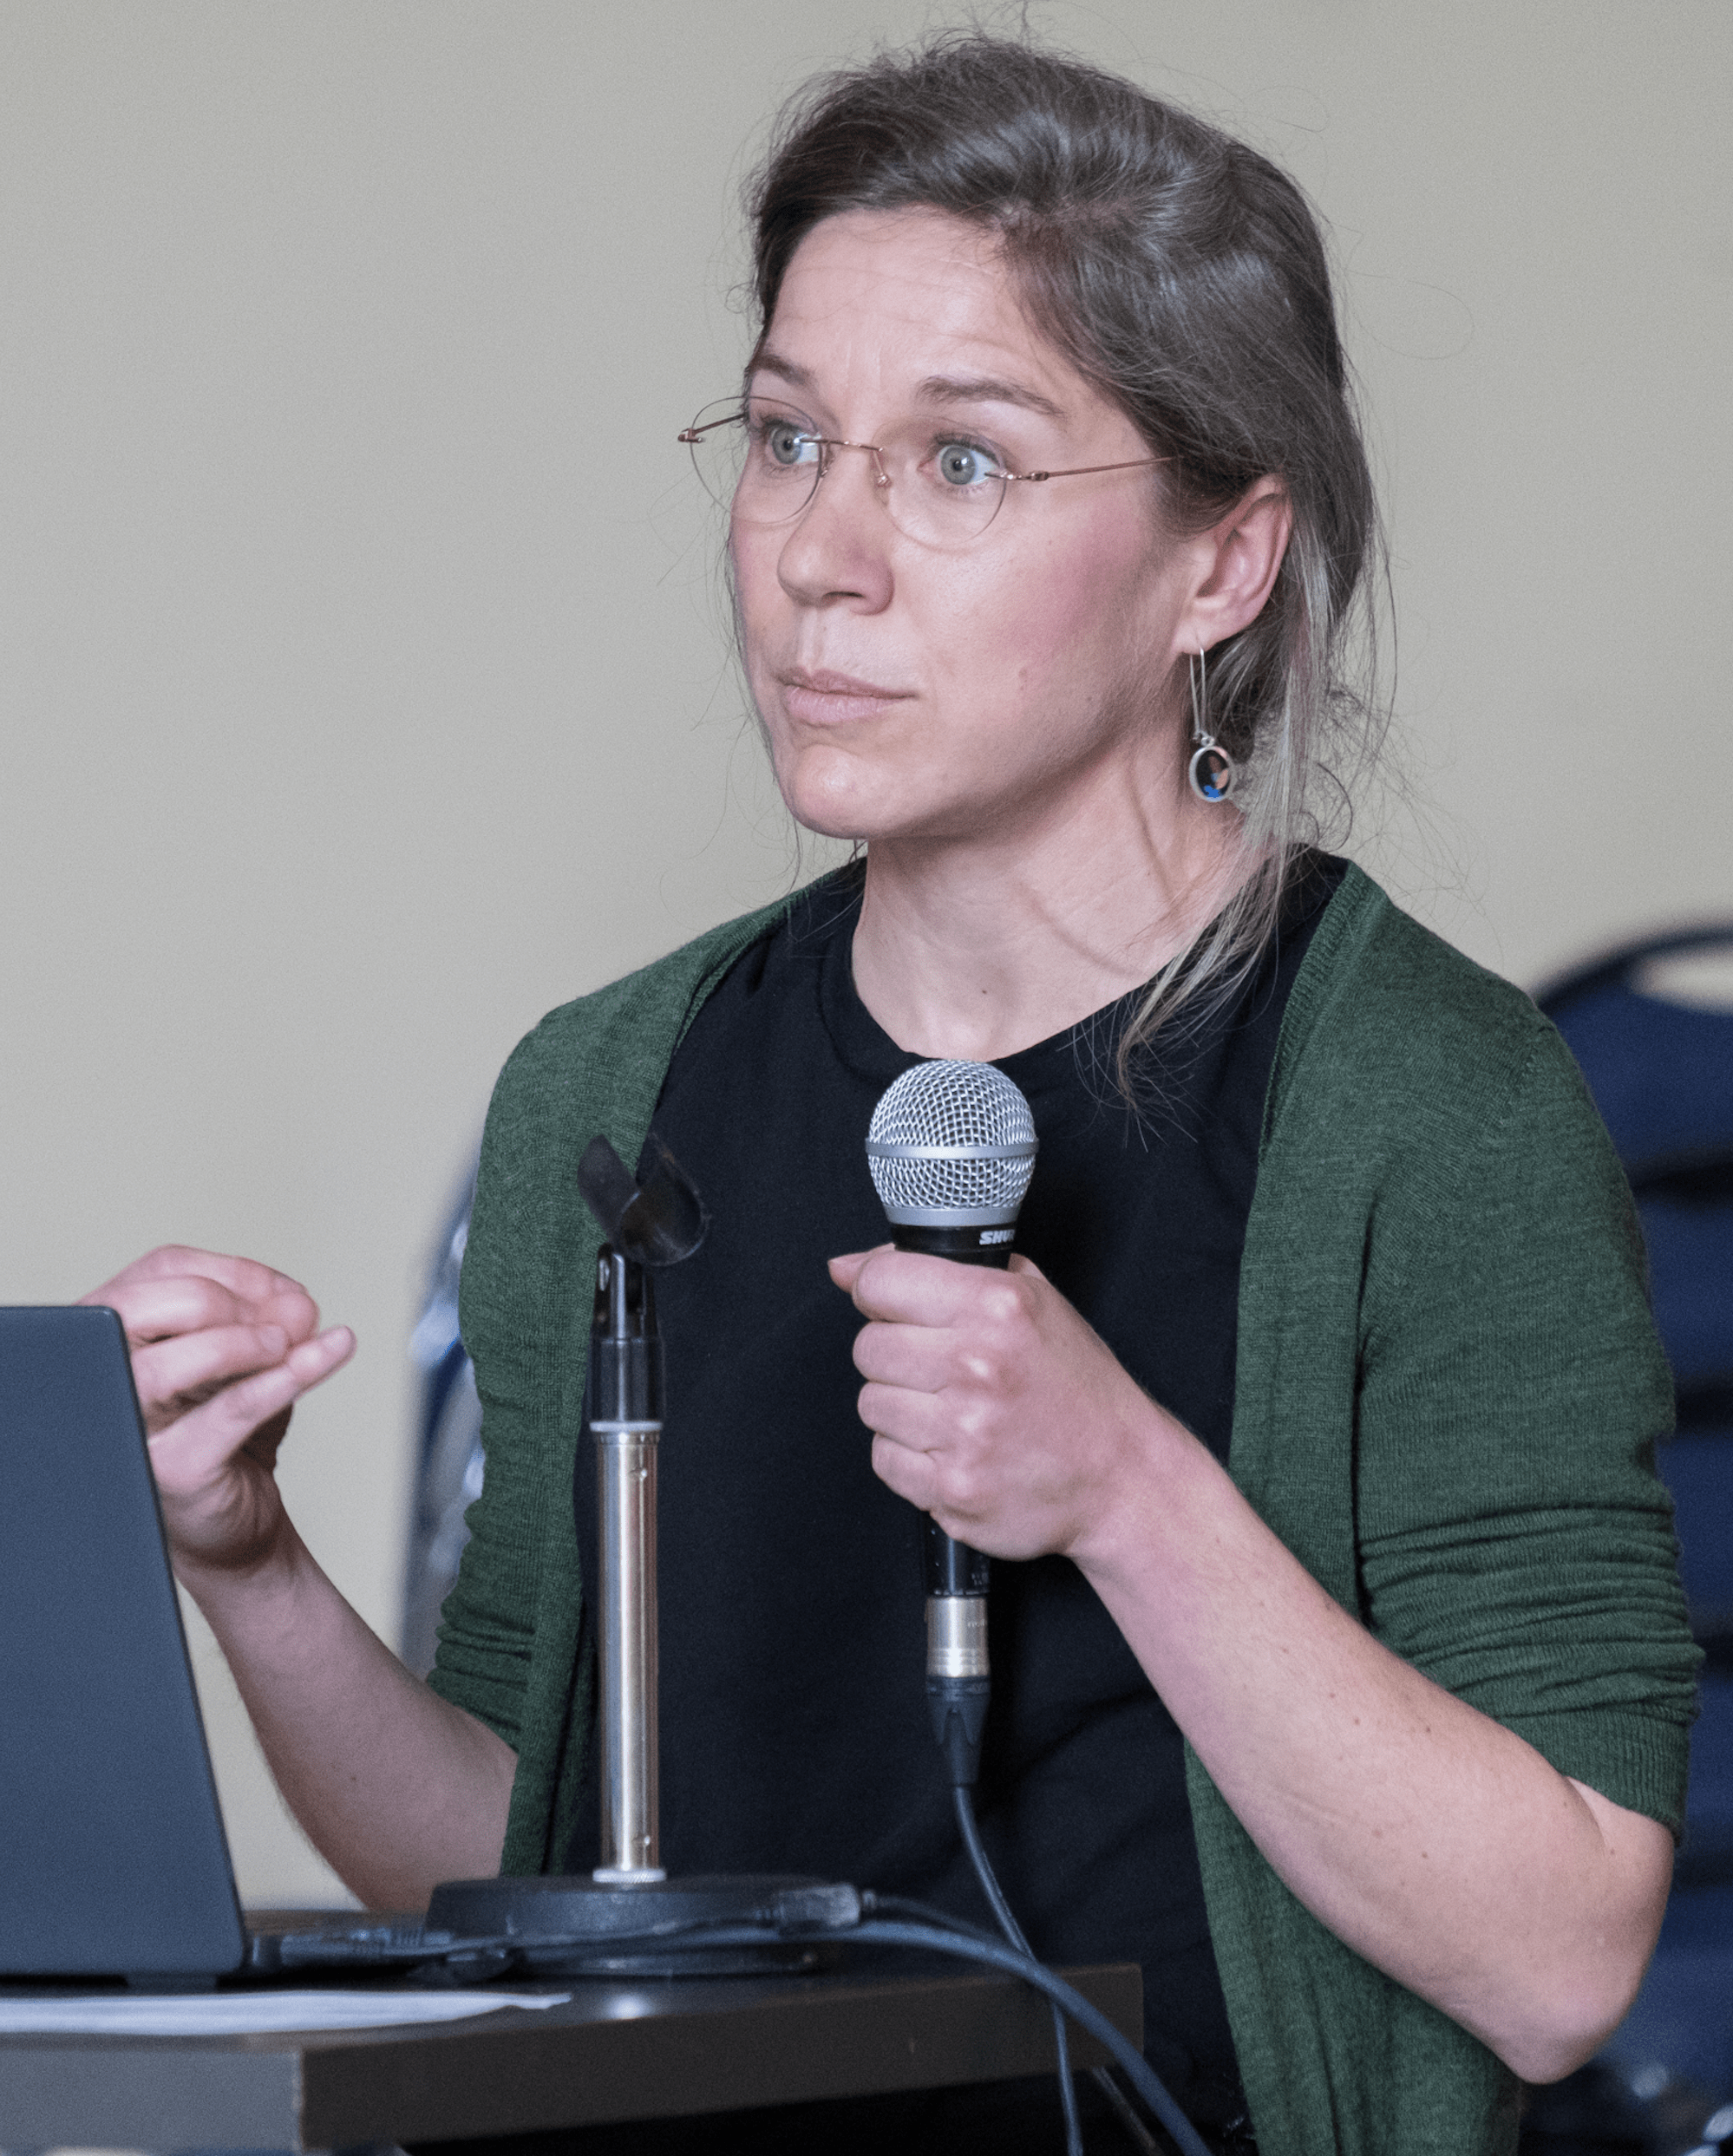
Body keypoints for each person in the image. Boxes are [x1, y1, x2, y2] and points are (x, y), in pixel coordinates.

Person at [87, 35, 1697, 2156]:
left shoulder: (1432, 1106)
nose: (818, 557)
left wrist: (1126, 1490)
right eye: (785, 440)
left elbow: (1561, 1954)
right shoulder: (610, 1083)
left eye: (961, 464)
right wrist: (250, 1562)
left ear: (1224, 564)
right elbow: (503, 1875)